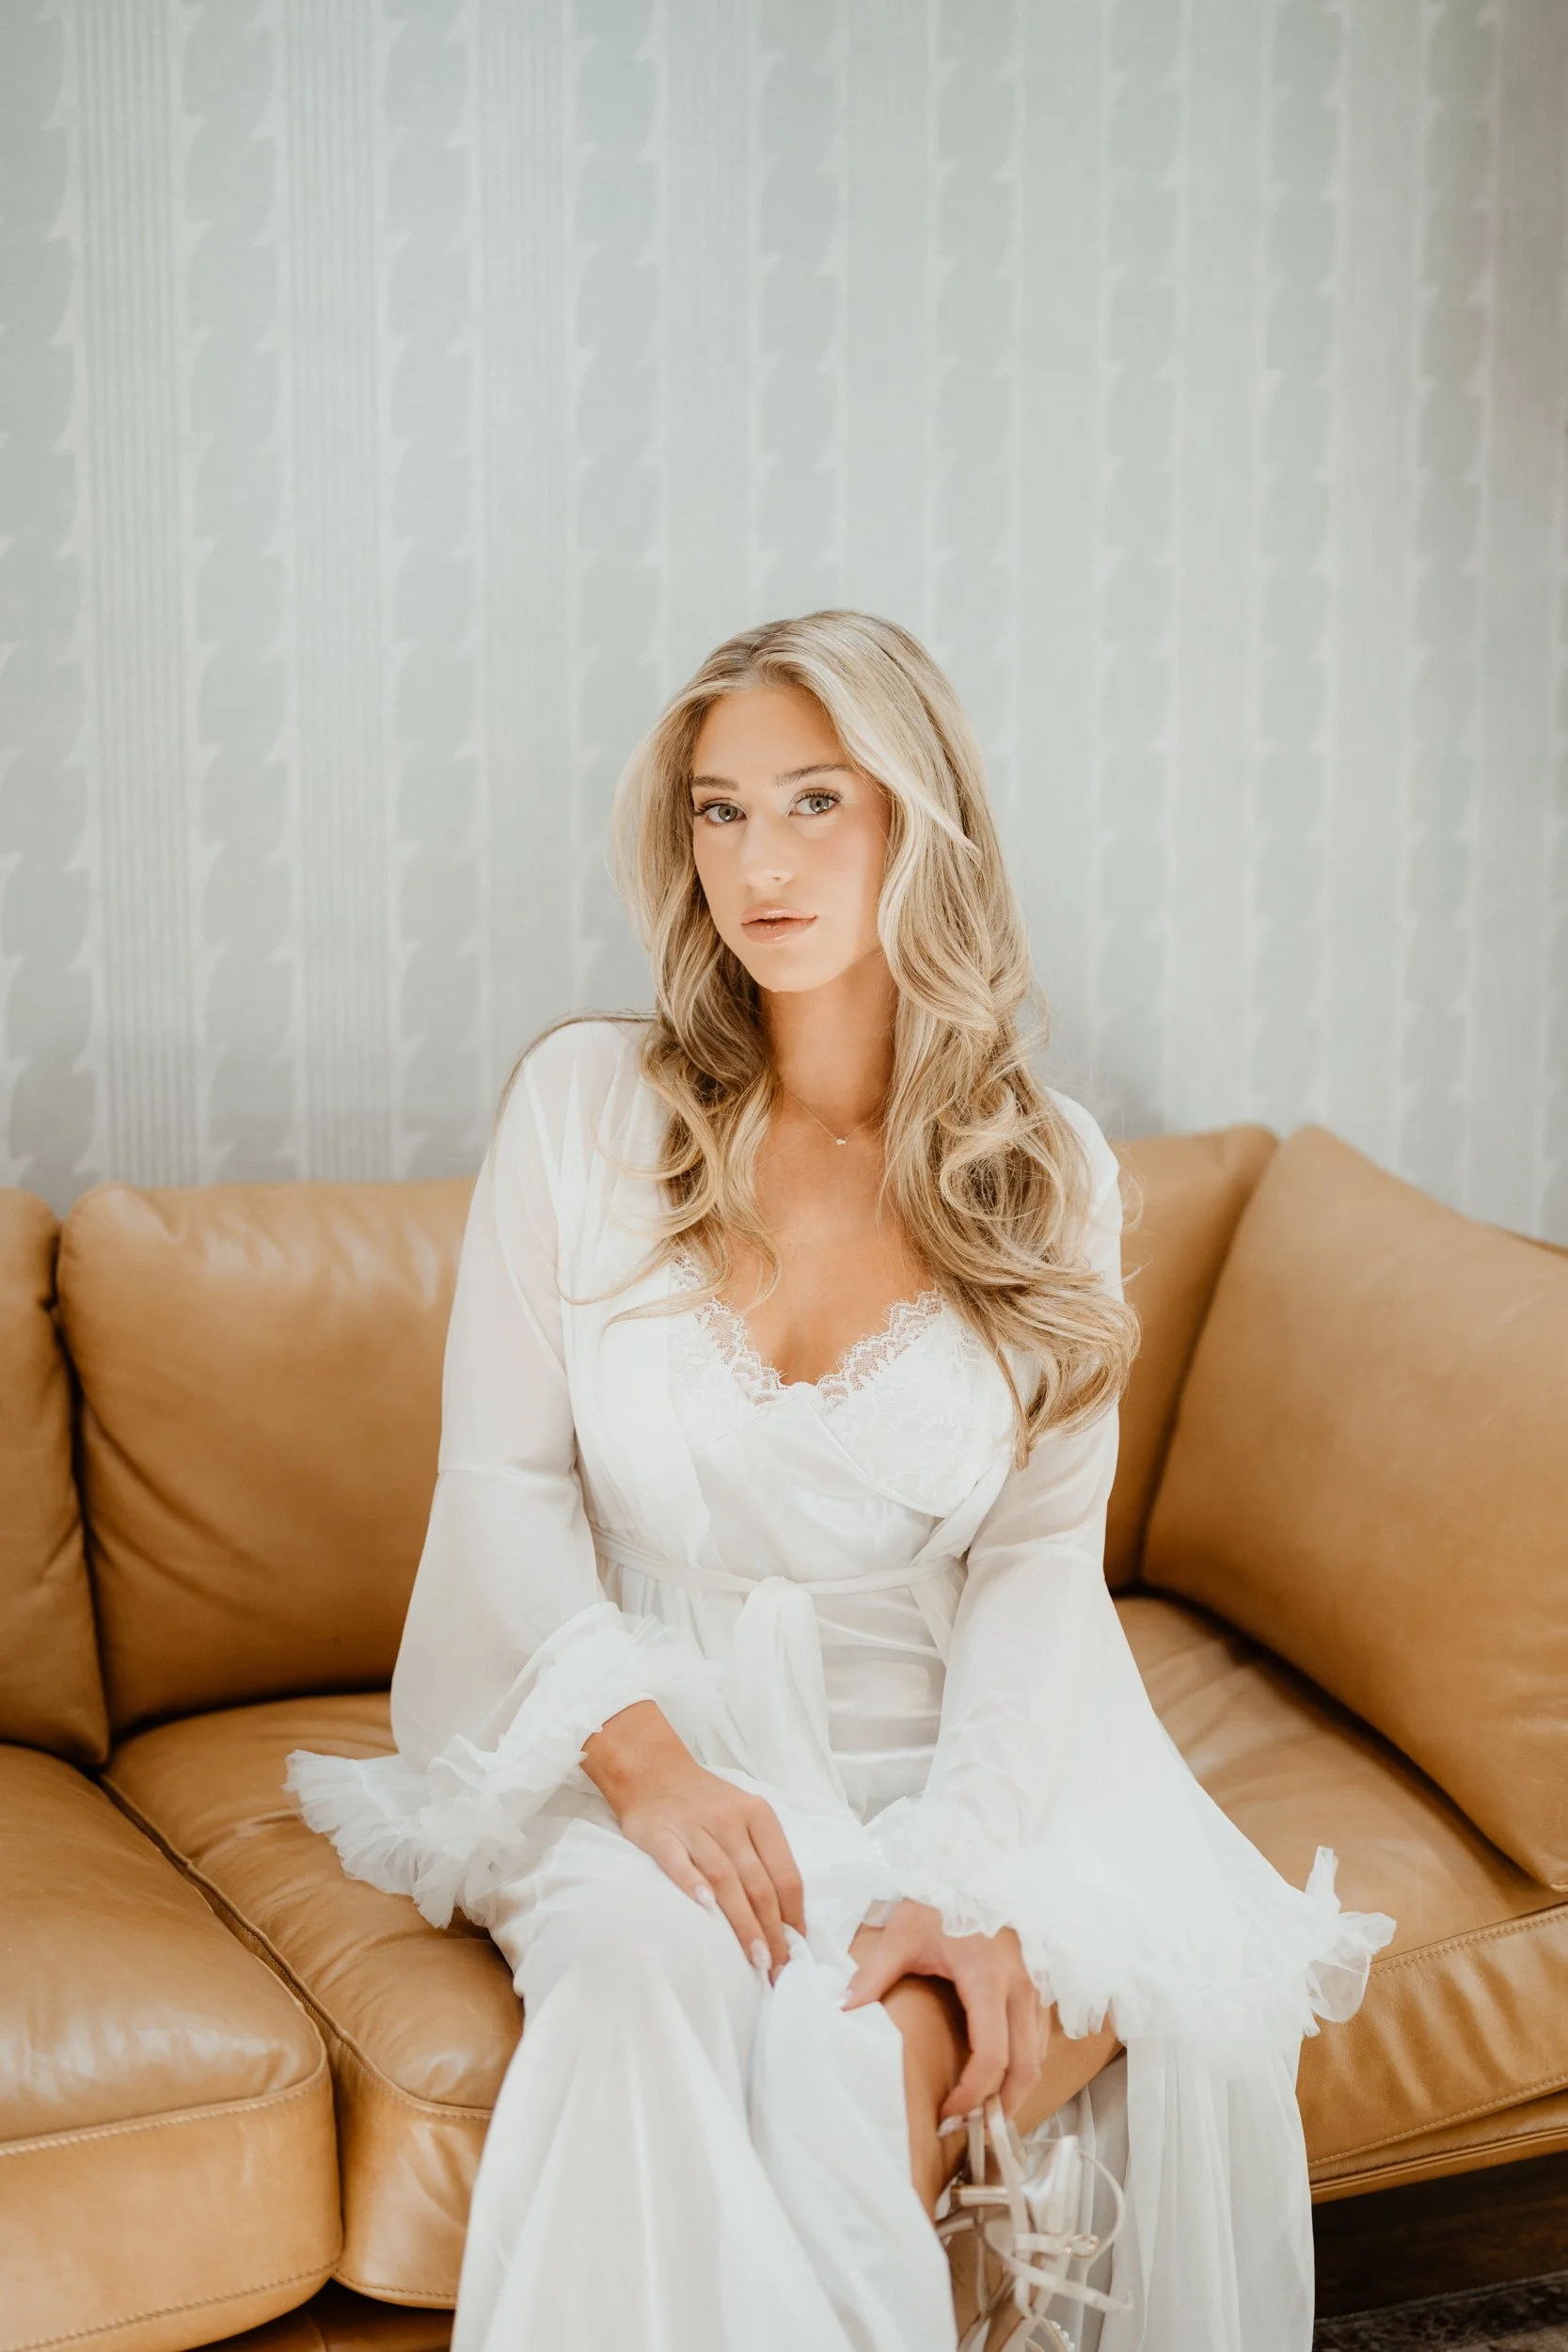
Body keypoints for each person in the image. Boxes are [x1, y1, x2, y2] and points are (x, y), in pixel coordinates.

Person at [287, 610, 1395, 2352]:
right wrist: (645, 1766)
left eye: (814, 801)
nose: (756, 861)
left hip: (946, 1755)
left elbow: (1036, 1571)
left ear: (916, 820)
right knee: (637, 1978)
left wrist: (954, 1868)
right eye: (717, 812)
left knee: (828, 2076)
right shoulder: (584, 1110)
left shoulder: (1047, 1175)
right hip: (626, 1727)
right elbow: (496, 1485)